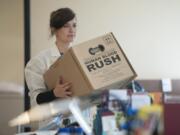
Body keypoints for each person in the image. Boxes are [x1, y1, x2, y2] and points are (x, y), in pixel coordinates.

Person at [25, 7, 77, 128]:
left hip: (79, 121)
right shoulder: (39, 61)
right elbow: (36, 99)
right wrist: (54, 93)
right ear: (54, 29)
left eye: (74, 25)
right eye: (66, 26)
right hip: (52, 125)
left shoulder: (79, 57)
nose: (71, 30)